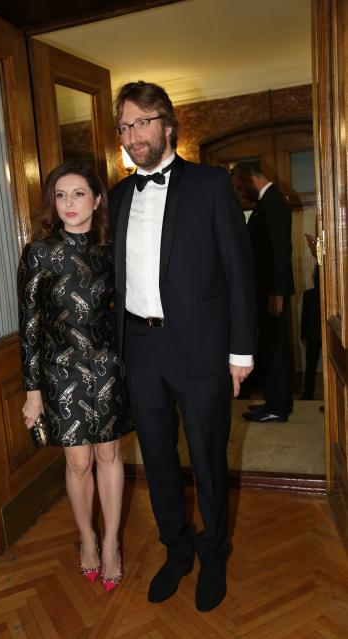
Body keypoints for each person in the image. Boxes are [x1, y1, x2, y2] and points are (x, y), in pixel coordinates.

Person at [109, 81, 256, 612]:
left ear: (167, 125)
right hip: (140, 347)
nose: (133, 136)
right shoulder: (118, 196)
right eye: (124, 127)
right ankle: (177, 549)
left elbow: (239, 271)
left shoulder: (211, 184)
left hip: (201, 348)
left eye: (142, 123)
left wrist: (241, 351)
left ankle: (214, 552)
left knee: (209, 457)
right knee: (156, 457)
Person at [18, 161, 132, 592]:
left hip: (107, 368)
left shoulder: (110, 251)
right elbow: (29, 326)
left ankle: (111, 544)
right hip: (60, 371)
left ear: (97, 200)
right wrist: (32, 392)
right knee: (78, 462)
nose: (69, 203)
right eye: (61, 195)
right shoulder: (39, 253)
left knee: (108, 455)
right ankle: (87, 538)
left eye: (79, 193)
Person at [232, 162, 294, 423]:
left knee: (276, 348)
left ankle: (278, 407)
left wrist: (277, 292)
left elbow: (281, 251)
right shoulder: (266, 202)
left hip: (272, 291)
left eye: (240, 187)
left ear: (249, 179)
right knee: (269, 346)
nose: (241, 193)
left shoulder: (274, 201)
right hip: (266, 289)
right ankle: (273, 402)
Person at [300, 233, 321, 399]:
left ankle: (308, 394)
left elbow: (304, 320)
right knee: (311, 365)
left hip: (314, 336)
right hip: (317, 336)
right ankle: (308, 393)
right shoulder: (310, 295)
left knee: (310, 365)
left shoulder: (309, 296)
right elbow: (305, 318)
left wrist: (304, 336)